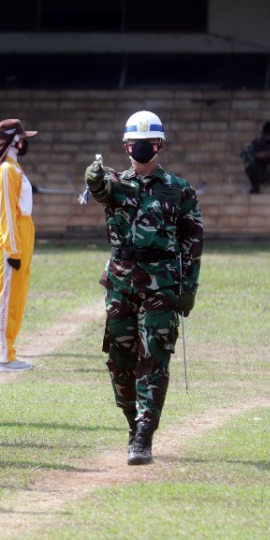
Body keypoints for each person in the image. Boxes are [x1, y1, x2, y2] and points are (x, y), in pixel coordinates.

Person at [83, 110, 203, 465]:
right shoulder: (115, 184)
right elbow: (99, 190)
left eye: (148, 143)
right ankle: (131, 421)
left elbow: (192, 243)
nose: (141, 149)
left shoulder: (180, 190)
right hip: (121, 283)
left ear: (160, 145)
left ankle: (143, 434)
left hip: (162, 285)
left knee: (154, 360)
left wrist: (189, 288)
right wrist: (92, 179)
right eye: (135, 144)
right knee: (119, 361)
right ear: (125, 146)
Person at [0, 119, 39, 373]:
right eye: (22, 137)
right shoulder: (7, 170)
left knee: (17, 294)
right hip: (13, 233)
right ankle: (3, 355)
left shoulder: (14, 168)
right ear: (13, 140)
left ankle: (9, 350)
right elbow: (7, 210)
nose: (25, 141)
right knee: (7, 294)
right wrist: (12, 248)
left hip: (22, 229)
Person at [240, 121, 270, 194]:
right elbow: (244, 154)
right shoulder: (257, 143)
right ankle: (255, 187)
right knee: (248, 164)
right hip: (261, 173)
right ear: (263, 134)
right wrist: (257, 155)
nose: (269, 138)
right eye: (267, 135)